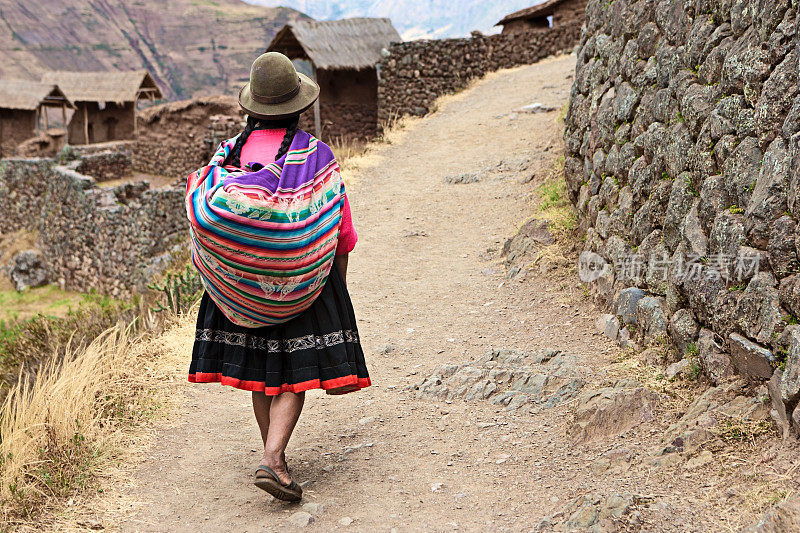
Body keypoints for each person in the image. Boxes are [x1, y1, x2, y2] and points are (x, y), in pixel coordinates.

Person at [185, 52, 371, 502]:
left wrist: (226, 280)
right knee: (291, 379)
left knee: (260, 377)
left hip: (240, 291)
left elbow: (207, 226)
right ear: (298, 107)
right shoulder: (316, 157)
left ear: (252, 108)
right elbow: (339, 231)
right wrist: (337, 289)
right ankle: (274, 458)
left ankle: (273, 450)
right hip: (301, 284)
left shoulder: (226, 158)